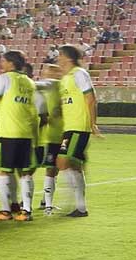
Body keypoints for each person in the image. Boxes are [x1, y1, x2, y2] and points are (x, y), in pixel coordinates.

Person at [0, 51, 39, 221]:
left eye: (3, 61)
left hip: (8, 133)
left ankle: (5, 211)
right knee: (25, 172)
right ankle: (26, 211)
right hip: (26, 133)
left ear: (11, 63)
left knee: (3, 172)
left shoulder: (4, 78)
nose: (1, 64)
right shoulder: (29, 82)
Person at [56, 45, 101, 218]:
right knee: (74, 165)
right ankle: (80, 207)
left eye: (60, 55)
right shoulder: (66, 78)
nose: (58, 59)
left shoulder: (79, 74)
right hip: (70, 127)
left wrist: (92, 124)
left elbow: (91, 98)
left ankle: (71, 202)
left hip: (78, 127)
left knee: (63, 162)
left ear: (68, 58)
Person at [34, 63, 64, 216]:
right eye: (52, 71)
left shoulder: (59, 87)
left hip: (58, 134)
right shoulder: (51, 84)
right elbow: (35, 84)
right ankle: (47, 204)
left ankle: (45, 201)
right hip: (49, 136)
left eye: (57, 71)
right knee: (50, 169)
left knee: (54, 169)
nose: (56, 74)